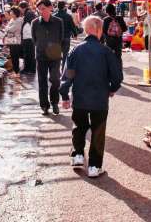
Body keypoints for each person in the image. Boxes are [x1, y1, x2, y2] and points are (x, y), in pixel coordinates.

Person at [60, 16, 123, 178]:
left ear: (86, 30)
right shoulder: (106, 52)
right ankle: (94, 167)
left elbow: (68, 75)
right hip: (100, 100)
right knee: (98, 132)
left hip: (80, 97)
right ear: (99, 30)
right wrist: (112, 89)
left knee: (79, 127)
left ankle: (78, 156)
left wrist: (65, 95)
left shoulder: (76, 50)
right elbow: (117, 77)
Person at [31, 0, 63, 115]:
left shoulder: (59, 22)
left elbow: (61, 38)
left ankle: (55, 102)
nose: (41, 11)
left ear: (50, 8)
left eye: (43, 9)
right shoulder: (35, 23)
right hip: (41, 56)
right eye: (39, 9)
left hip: (55, 55)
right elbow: (34, 39)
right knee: (42, 82)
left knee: (55, 80)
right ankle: (44, 106)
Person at [54, 1, 77, 71]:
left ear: (57, 7)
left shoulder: (54, 16)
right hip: (66, 37)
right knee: (65, 54)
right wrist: (75, 34)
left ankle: (56, 69)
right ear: (64, 7)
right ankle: (63, 69)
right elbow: (73, 26)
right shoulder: (68, 16)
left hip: (57, 38)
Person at [4, 7, 23, 77]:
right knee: (13, 56)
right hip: (11, 40)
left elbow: (11, 29)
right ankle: (15, 71)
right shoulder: (12, 19)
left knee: (15, 57)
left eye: (11, 12)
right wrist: (7, 28)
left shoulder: (18, 21)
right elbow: (7, 28)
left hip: (16, 41)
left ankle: (17, 72)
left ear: (15, 14)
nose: (10, 13)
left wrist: (7, 28)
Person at [19, 1, 36, 74]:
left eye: (20, 8)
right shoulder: (29, 13)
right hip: (29, 37)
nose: (20, 10)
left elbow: (29, 25)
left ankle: (28, 69)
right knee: (29, 54)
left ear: (23, 8)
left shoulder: (28, 13)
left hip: (28, 37)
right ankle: (30, 69)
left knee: (28, 54)